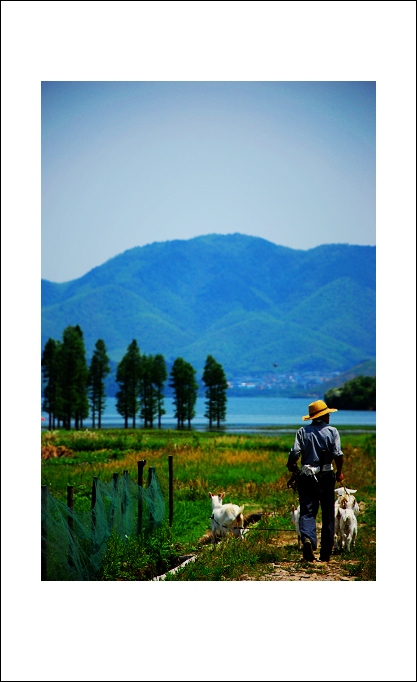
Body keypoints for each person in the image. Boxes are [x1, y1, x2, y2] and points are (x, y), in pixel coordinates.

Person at [286, 399, 344, 562]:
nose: (329, 417)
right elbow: (338, 455)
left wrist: (291, 465)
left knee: (307, 511)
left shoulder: (302, 432)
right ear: (324, 416)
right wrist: (339, 472)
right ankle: (325, 553)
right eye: (327, 414)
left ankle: (308, 540)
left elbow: (295, 453)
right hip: (326, 476)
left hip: (307, 476)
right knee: (327, 513)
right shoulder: (332, 432)